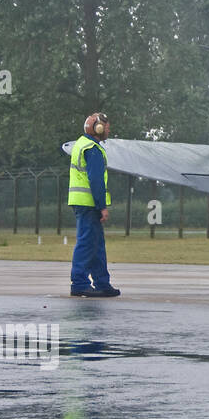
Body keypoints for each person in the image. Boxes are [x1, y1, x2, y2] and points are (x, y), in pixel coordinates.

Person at [67, 112, 120, 297]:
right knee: (87, 243)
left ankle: (102, 283)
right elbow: (96, 180)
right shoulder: (93, 149)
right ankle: (79, 283)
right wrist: (102, 206)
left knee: (96, 244)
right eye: (106, 126)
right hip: (88, 203)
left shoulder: (82, 144)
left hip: (85, 203)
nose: (108, 129)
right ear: (97, 128)